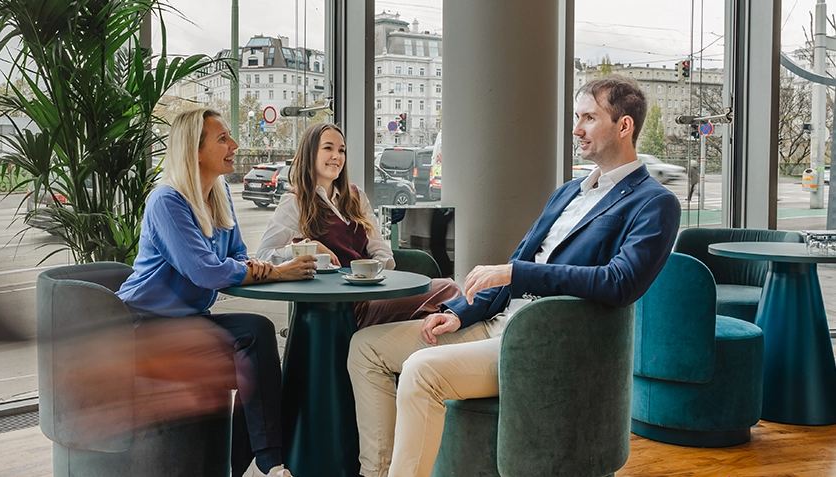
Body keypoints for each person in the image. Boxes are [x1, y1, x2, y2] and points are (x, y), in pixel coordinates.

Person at [346, 74, 682, 477]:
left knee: (421, 369)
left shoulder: (655, 203)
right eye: (577, 117)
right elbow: (514, 268)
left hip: (542, 342)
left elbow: (620, 283)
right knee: (366, 348)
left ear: (624, 126)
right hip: (495, 324)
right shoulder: (568, 192)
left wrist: (519, 273)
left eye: (589, 118)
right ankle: (378, 471)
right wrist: (459, 313)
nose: (576, 129)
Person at [117, 108, 315, 477]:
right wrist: (274, 273)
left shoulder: (219, 194)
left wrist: (250, 265)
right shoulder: (167, 201)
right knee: (255, 336)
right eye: (223, 138)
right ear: (194, 150)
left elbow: (236, 253)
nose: (234, 145)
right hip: (143, 327)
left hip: (188, 323)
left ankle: (250, 466)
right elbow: (205, 270)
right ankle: (271, 463)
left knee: (256, 342)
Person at [256, 122, 462, 329]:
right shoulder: (295, 202)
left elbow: (381, 251)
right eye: (328, 148)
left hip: (369, 298)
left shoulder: (356, 196)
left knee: (442, 305)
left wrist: (371, 274)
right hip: (332, 309)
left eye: (341, 150)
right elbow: (264, 255)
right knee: (449, 290)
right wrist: (305, 248)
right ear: (310, 153)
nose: (337, 156)